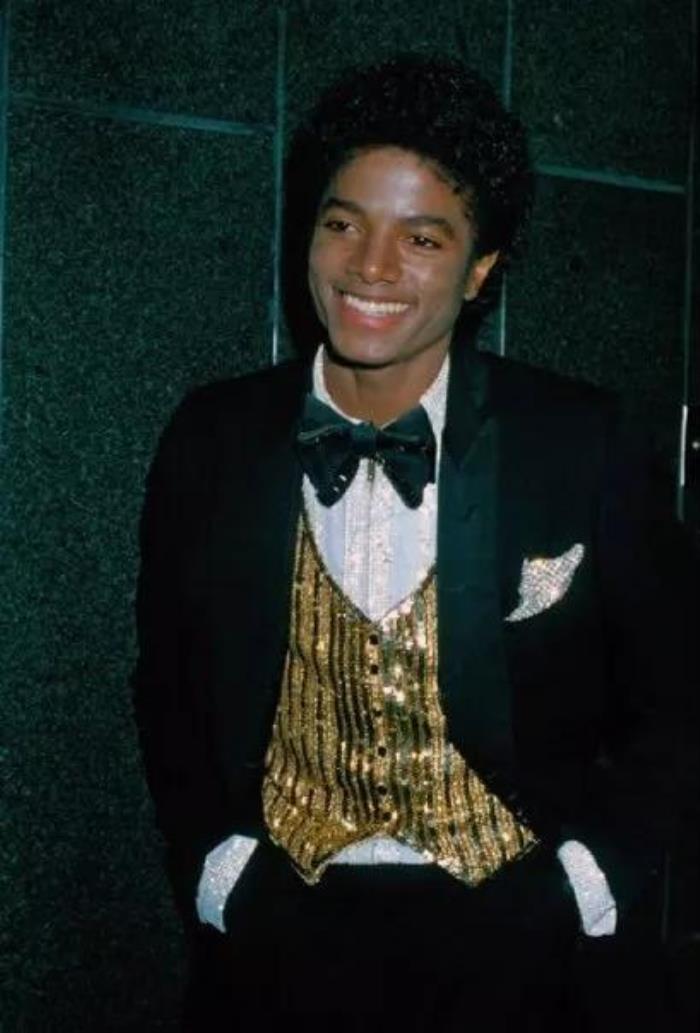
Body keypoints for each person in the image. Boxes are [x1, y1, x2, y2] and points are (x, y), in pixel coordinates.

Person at [133, 56, 693, 1032]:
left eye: (422, 238)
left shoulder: (582, 441)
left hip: (519, 943)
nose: (370, 267)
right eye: (342, 223)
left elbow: (678, 688)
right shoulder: (212, 436)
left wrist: (584, 882)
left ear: (479, 269)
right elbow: (167, 682)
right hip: (277, 940)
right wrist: (217, 868)